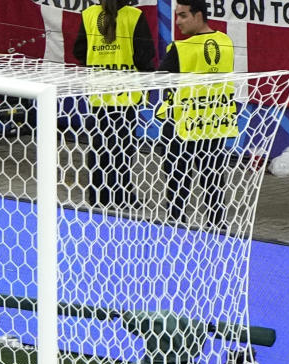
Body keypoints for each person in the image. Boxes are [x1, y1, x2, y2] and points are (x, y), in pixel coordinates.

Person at [156, 0, 237, 229]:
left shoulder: (180, 49)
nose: (178, 22)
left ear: (199, 15)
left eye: (182, 16)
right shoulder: (225, 41)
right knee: (213, 178)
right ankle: (216, 226)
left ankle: (176, 226)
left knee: (177, 179)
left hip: (182, 124)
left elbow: (161, 83)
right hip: (214, 122)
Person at [73, 0, 155, 211]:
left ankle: (97, 196)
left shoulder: (88, 15)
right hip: (125, 96)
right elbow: (145, 55)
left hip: (99, 95)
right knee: (123, 148)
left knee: (98, 147)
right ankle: (121, 195)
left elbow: (79, 50)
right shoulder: (134, 16)